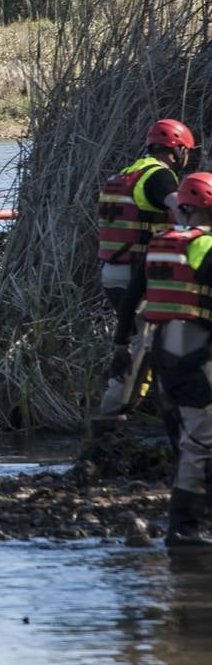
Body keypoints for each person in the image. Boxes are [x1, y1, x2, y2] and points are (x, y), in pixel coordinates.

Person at [98, 118, 194, 436]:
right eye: (186, 151)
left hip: (113, 271)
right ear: (176, 151)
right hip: (136, 274)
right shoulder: (159, 176)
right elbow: (180, 209)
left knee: (140, 342)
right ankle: (111, 420)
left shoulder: (126, 174)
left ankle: (129, 413)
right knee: (142, 347)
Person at [137, 172, 212, 546]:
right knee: (200, 441)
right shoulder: (205, 246)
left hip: (163, 350)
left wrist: (120, 347)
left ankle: (187, 527)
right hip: (194, 353)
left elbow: (136, 294)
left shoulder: (161, 242)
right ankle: (184, 530)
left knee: (189, 438)